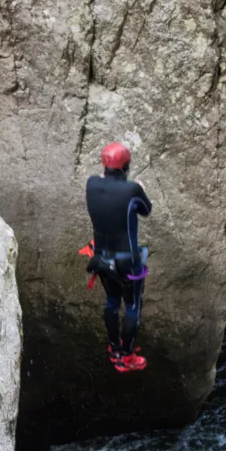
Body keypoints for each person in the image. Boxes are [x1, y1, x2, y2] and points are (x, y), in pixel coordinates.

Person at [85, 142, 152, 372]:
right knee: (132, 305)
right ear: (126, 166)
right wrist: (138, 187)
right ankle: (127, 355)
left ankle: (114, 348)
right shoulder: (132, 190)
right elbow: (146, 209)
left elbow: (105, 186)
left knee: (112, 302)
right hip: (127, 263)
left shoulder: (91, 184)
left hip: (101, 259)